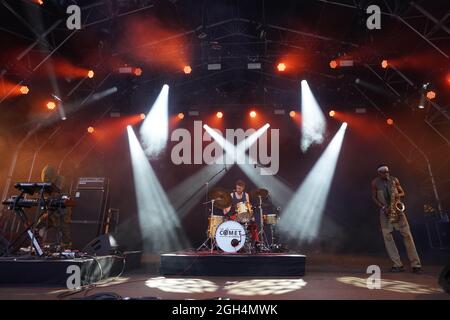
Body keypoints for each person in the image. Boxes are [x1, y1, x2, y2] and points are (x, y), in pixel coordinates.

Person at [371, 165, 422, 273]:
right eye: (384, 172)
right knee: (387, 238)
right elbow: (374, 197)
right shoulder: (375, 182)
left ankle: (416, 265)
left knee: (407, 235)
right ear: (379, 173)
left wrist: (396, 195)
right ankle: (398, 264)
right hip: (385, 213)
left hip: (397, 211)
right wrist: (383, 206)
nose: (386, 174)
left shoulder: (394, 180)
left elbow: (403, 192)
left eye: (387, 172)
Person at [35, 165, 72, 249]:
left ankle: (65, 247)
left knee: (64, 228)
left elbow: (57, 189)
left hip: (62, 209)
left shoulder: (61, 179)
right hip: (51, 209)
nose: (46, 178)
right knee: (40, 224)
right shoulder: (47, 182)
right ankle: (38, 246)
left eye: (47, 176)